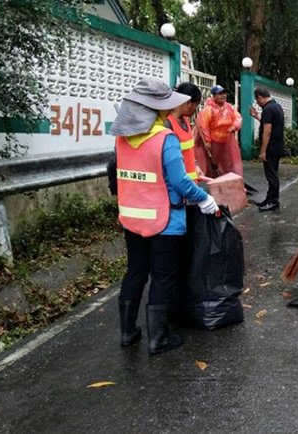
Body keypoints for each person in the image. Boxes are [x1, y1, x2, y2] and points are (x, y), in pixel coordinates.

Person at [109, 78, 219, 355]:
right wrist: (204, 198)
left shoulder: (122, 139)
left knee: (135, 272)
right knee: (161, 277)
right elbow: (180, 183)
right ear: (157, 109)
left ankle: (127, 331)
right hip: (164, 220)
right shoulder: (163, 138)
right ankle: (158, 337)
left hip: (131, 218)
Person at [248, 87, 284, 212]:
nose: (257, 103)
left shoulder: (268, 109)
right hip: (277, 146)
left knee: (271, 176)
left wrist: (263, 151)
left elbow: (267, 131)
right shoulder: (276, 106)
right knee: (272, 173)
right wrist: (256, 116)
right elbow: (269, 125)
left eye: (257, 101)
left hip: (271, 147)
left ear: (259, 97)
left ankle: (273, 202)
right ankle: (269, 199)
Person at [196, 85, 243, 178]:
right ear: (214, 96)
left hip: (228, 141)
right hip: (214, 142)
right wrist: (208, 142)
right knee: (214, 163)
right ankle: (216, 184)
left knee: (229, 162)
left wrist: (234, 126)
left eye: (224, 93)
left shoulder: (229, 107)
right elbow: (204, 126)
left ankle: (229, 181)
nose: (223, 95)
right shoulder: (208, 109)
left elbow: (238, 118)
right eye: (220, 93)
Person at [165, 82, 202, 182]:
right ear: (188, 103)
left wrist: (196, 166)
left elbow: (188, 151)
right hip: (180, 185)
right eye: (196, 105)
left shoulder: (185, 120)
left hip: (190, 185)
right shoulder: (168, 124)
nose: (195, 110)